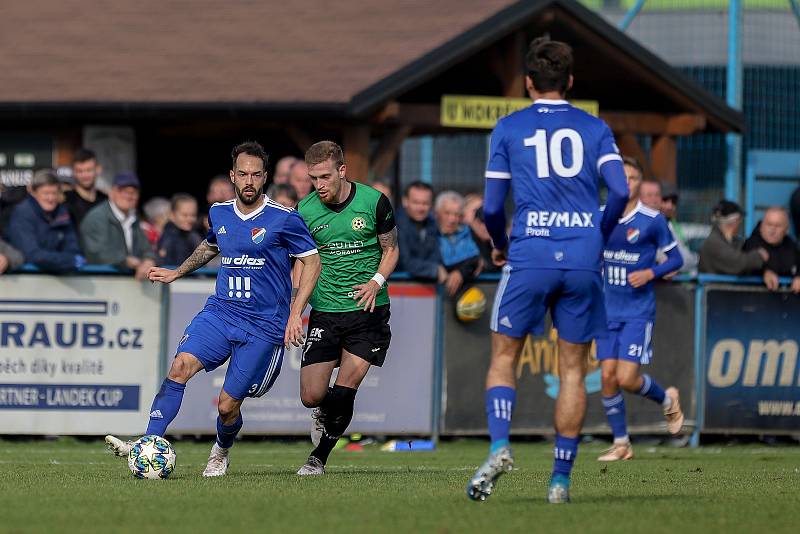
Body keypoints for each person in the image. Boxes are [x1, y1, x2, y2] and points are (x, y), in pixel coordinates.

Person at [466, 36, 629, 504]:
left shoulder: (510, 128)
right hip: (582, 256)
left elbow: (493, 206)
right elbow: (618, 192)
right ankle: (560, 481)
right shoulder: (595, 127)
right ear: (571, 81)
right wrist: (595, 231)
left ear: (528, 82)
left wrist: (499, 244)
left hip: (531, 253)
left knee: (503, 358)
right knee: (574, 369)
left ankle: (500, 446)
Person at [105, 142, 321, 477]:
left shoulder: (284, 218)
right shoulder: (219, 212)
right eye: (243, 174)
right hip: (220, 313)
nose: (249, 180)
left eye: (256, 174)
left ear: (264, 177)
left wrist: (296, 312)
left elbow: (312, 261)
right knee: (179, 367)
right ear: (233, 176)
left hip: (263, 325)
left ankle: (221, 449)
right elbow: (211, 245)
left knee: (226, 405)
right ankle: (148, 444)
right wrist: (177, 271)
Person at [294, 141, 399, 476]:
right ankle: (323, 412)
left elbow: (391, 249)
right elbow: (302, 262)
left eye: (325, 176)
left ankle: (318, 458)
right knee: (312, 396)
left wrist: (376, 282)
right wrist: (296, 310)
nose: (319, 184)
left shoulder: (374, 202)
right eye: (313, 178)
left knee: (344, 391)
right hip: (325, 310)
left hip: (368, 311)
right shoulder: (305, 211)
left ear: (342, 170)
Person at [595, 156, 685, 462]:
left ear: (639, 182)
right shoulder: (600, 216)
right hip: (604, 311)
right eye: (622, 177)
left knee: (627, 379)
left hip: (636, 311)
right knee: (608, 377)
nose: (627, 182)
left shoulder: (652, 219)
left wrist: (651, 273)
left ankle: (667, 398)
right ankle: (622, 444)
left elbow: (676, 259)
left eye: (633, 178)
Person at [79, 172, 156, 280]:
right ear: (111, 193)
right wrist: (126, 261)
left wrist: (149, 260)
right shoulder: (96, 218)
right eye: (123, 191)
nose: (129, 196)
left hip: (128, 284)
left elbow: (147, 248)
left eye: (134, 192)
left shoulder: (134, 219)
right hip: (100, 283)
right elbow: (97, 253)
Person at [5, 169, 84, 273]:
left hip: (59, 278)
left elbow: (73, 248)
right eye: (46, 193)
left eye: (54, 193)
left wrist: (70, 260)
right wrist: (68, 261)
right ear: (34, 193)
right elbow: (32, 254)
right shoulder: (22, 213)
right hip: (25, 277)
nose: (50, 198)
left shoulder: (62, 212)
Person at [699, 200, 766, 275]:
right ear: (734, 221)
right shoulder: (713, 243)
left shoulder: (730, 241)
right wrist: (759, 256)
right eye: (739, 221)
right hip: (714, 286)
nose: (739, 225)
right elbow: (738, 264)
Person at [435, 191, 482, 297]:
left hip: (465, 296)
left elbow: (475, 258)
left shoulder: (468, 233)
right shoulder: (429, 234)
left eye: (456, 215)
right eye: (447, 213)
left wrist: (460, 272)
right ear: (437, 213)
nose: (452, 219)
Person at [396, 181, 445, 281]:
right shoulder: (394, 225)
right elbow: (405, 262)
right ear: (405, 201)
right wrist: (435, 269)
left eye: (425, 203)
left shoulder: (432, 224)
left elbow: (437, 255)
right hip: (398, 287)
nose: (420, 208)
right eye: (416, 202)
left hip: (428, 288)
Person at [743, 207, 800, 293]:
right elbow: (744, 266)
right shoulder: (751, 244)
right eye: (769, 224)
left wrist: (798, 276)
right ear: (761, 225)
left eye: (778, 226)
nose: (772, 230)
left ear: (786, 229)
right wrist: (764, 272)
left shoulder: (791, 245)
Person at [658, 182, 698, 274]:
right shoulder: (650, 225)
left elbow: (685, 259)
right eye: (665, 200)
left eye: (673, 202)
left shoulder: (673, 225)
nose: (669, 206)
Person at [63, 148, 108, 226]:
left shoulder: (105, 201)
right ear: (73, 172)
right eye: (80, 171)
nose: (85, 175)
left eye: (89, 170)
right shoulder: (66, 200)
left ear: (98, 170)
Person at [157, 194, 203, 266]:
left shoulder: (194, 236)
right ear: (172, 215)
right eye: (185, 215)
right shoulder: (168, 236)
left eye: (193, 215)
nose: (189, 219)